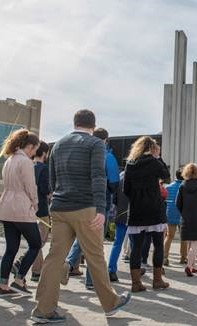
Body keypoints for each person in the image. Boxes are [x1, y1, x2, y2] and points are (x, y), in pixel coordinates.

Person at [31, 110, 130, 323]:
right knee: (95, 256)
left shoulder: (58, 145)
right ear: (93, 126)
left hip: (59, 207)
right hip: (85, 208)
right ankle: (110, 303)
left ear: (75, 123)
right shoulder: (95, 145)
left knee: (54, 257)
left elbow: (52, 179)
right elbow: (98, 176)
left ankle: (43, 309)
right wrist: (101, 209)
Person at [65, 127, 120, 288]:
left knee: (83, 237)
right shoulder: (107, 156)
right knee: (95, 241)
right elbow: (114, 181)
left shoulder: (83, 153)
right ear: (105, 140)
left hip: (82, 200)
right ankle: (91, 280)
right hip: (101, 200)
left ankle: (67, 265)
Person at [124, 136, 170, 292]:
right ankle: (157, 280)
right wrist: (159, 158)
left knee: (136, 247)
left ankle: (135, 283)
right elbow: (166, 175)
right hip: (154, 209)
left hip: (136, 209)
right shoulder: (154, 162)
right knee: (158, 245)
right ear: (152, 148)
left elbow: (126, 190)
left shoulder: (130, 164)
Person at [0, 129, 41, 296]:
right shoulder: (25, 162)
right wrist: (35, 204)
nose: (34, 153)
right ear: (29, 146)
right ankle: (19, 279)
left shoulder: (10, 160)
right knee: (36, 244)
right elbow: (30, 187)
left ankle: (3, 285)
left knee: (11, 249)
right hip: (22, 208)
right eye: (35, 149)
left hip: (6, 207)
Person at [176, 163, 197, 277]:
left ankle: (193, 266)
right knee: (195, 244)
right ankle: (189, 267)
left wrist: (184, 212)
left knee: (189, 242)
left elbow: (178, 203)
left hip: (186, 217)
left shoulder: (182, 185)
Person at [30, 141, 51, 282]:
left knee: (35, 241)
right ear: (44, 153)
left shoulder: (29, 166)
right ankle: (22, 261)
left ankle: (37, 272)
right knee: (40, 241)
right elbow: (45, 189)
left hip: (29, 209)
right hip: (42, 209)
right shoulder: (44, 168)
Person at [163, 169, 187, 266]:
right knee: (184, 237)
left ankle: (165, 257)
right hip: (182, 214)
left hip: (170, 213)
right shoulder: (185, 187)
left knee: (169, 236)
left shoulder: (168, 187)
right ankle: (183, 257)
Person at [108, 171, 129, 282]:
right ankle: (137, 268)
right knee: (135, 245)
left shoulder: (119, 181)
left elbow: (114, 200)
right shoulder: (137, 180)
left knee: (117, 244)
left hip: (120, 215)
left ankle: (111, 270)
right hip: (134, 217)